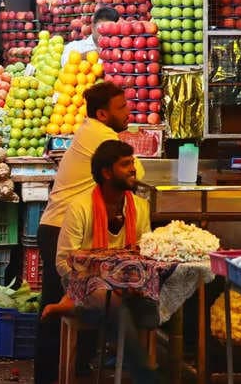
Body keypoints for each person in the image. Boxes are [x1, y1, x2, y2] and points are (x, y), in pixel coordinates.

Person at [34, 81, 145, 383]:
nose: (128, 111)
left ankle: (75, 371)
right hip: (62, 230)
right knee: (58, 308)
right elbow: (137, 174)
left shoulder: (92, 130)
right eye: (121, 107)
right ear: (103, 113)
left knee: (79, 307)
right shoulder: (100, 134)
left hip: (63, 225)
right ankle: (48, 376)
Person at [45, 140, 156, 384]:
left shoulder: (140, 207)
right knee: (110, 299)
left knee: (151, 307)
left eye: (132, 162)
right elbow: (63, 262)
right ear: (107, 172)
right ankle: (145, 375)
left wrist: (125, 280)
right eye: (125, 164)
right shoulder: (80, 208)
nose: (133, 169)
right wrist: (103, 279)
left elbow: (144, 255)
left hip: (130, 285)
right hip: (84, 284)